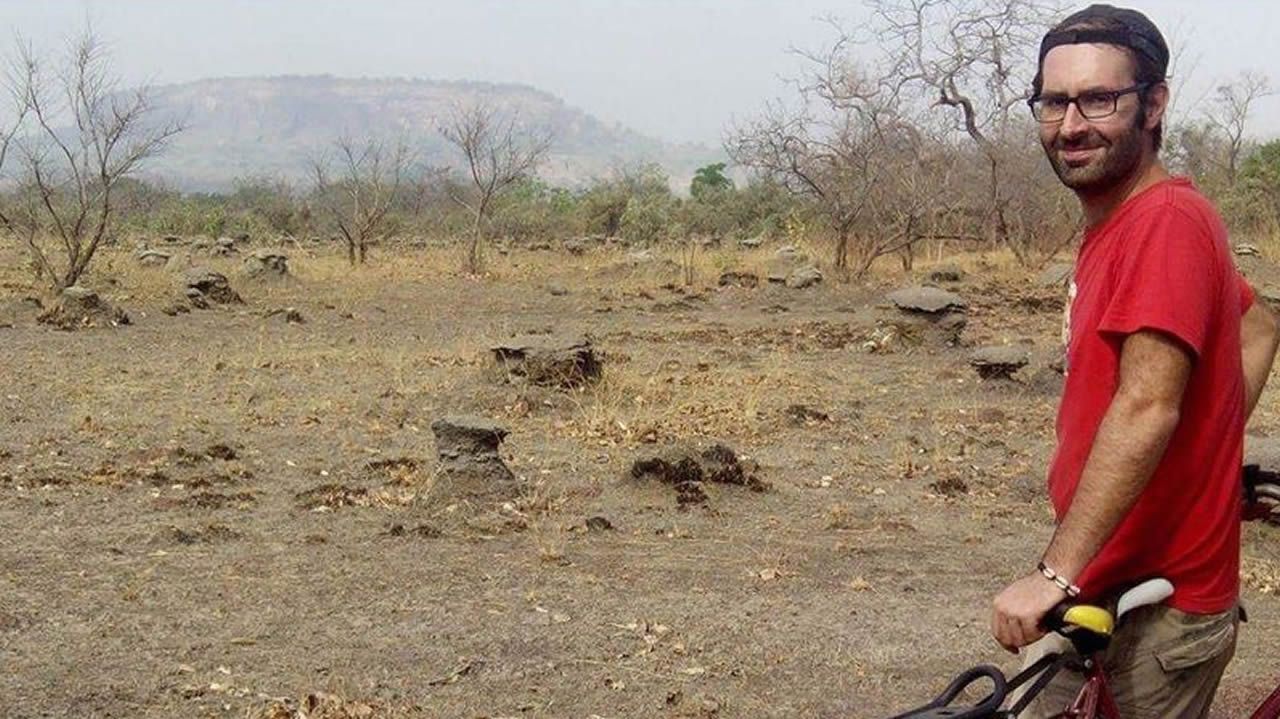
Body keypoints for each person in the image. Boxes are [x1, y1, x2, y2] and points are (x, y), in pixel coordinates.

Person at [988, 4, 1280, 717]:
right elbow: (1259, 325)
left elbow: (1147, 403)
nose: (1071, 124)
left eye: (1099, 99)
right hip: (1103, 580)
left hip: (1157, 609)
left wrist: (1055, 572)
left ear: (1154, 105)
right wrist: (1202, 465)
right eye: (1054, 102)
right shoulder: (1124, 220)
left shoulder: (1165, 223)